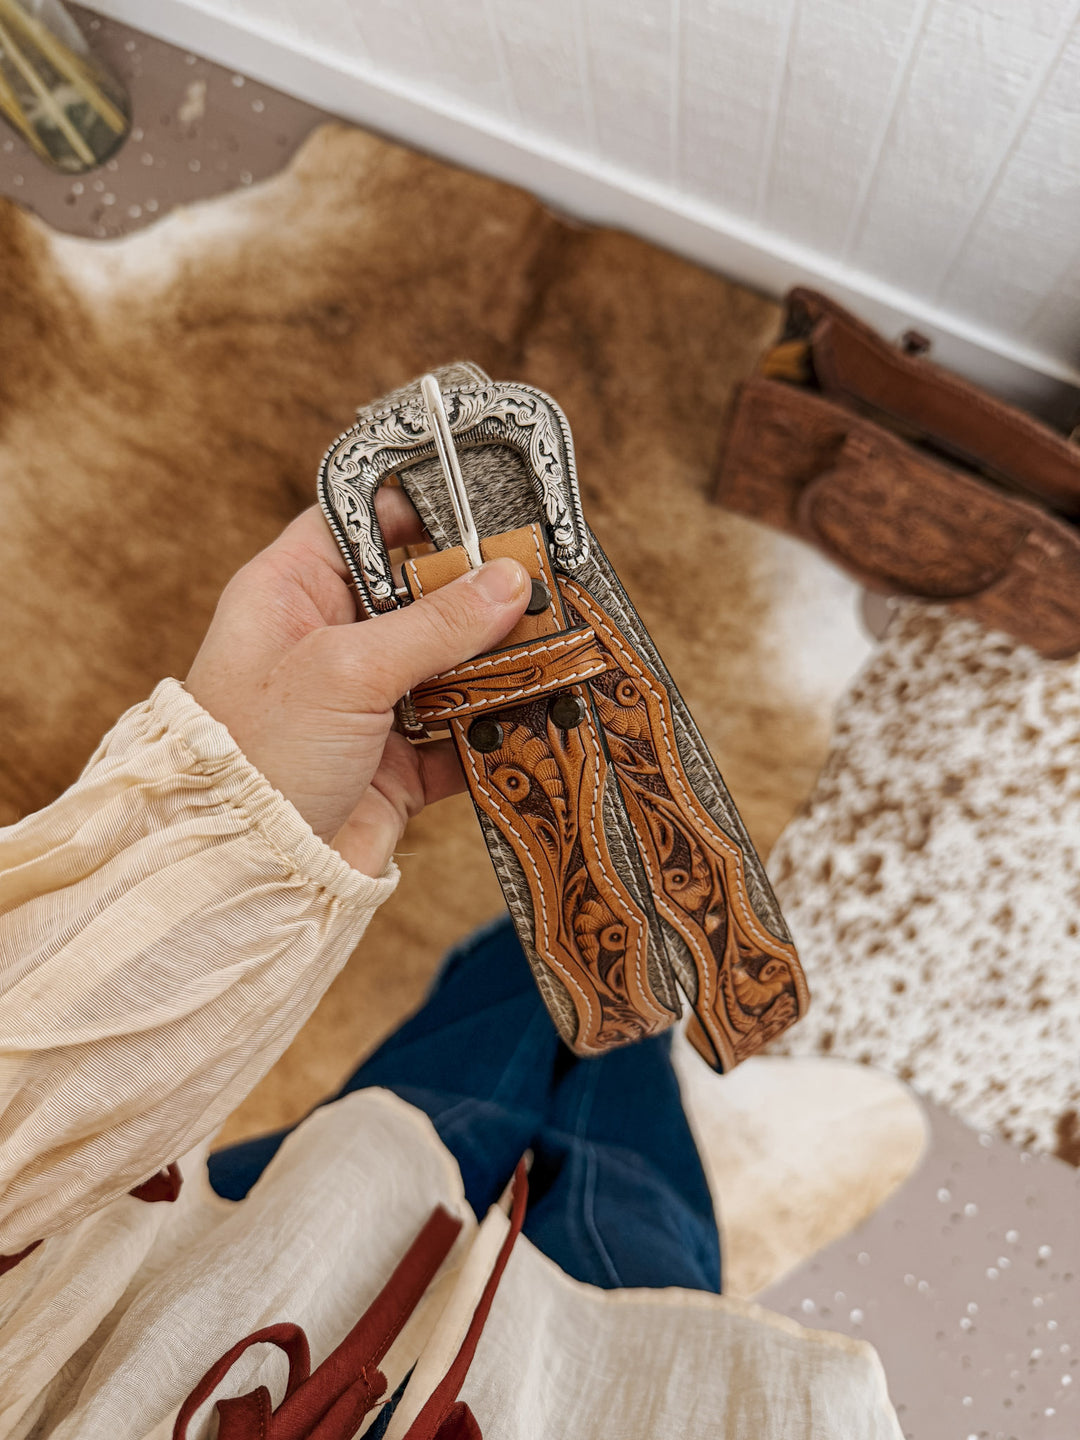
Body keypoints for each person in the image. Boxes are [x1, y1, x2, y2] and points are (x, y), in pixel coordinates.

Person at [0, 495, 902, 1438]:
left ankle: (600, 981)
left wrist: (232, 824)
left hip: (269, 1257)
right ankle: (626, 1003)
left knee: (507, 1025)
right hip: (607, 1381)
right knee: (618, 1144)